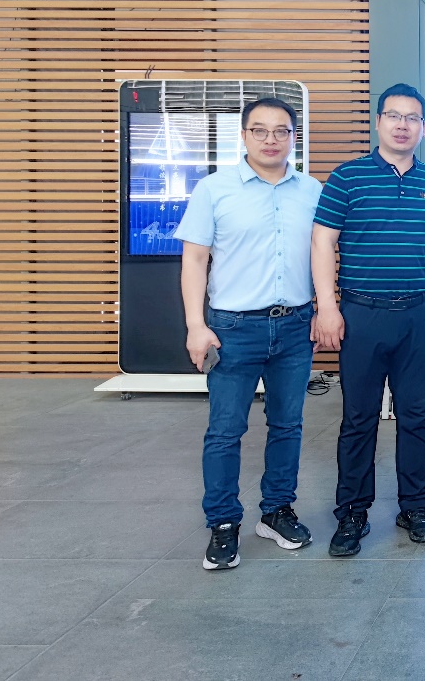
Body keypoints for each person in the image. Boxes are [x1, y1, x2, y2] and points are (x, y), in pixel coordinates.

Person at [311, 83, 425, 557]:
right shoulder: (347, 178)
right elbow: (322, 241)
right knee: (358, 418)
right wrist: (327, 306)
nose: (403, 125)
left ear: (423, 127)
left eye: (412, 118)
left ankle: (415, 507)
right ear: (378, 122)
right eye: (394, 116)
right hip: (361, 314)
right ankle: (352, 513)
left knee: (417, 417)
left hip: (418, 313)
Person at [175, 97, 323, 571]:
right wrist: (195, 325)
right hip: (233, 329)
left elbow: (323, 255)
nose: (270, 139)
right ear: (243, 136)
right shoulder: (214, 190)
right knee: (225, 431)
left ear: (293, 137)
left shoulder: (312, 191)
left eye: (281, 131)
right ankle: (223, 523)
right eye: (259, 130)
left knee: (288, 425)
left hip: (295, 326)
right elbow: (194, 259)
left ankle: (277, 511)